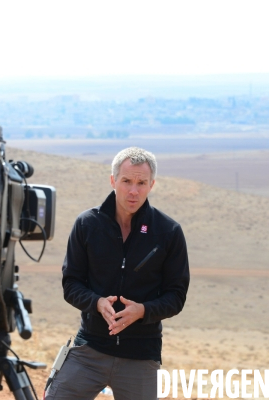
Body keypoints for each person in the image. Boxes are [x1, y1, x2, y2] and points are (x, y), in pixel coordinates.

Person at [47, 147, 190, 400]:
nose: (133, 191)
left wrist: (142, 311)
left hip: (141, 355)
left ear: (151, 185)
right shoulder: (87, 224)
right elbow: (71, 284)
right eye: (126, 181)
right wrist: (97, 303)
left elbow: (176, 297)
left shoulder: (168, 232)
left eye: (141, 183)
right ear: (113, 180)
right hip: (89, 348)